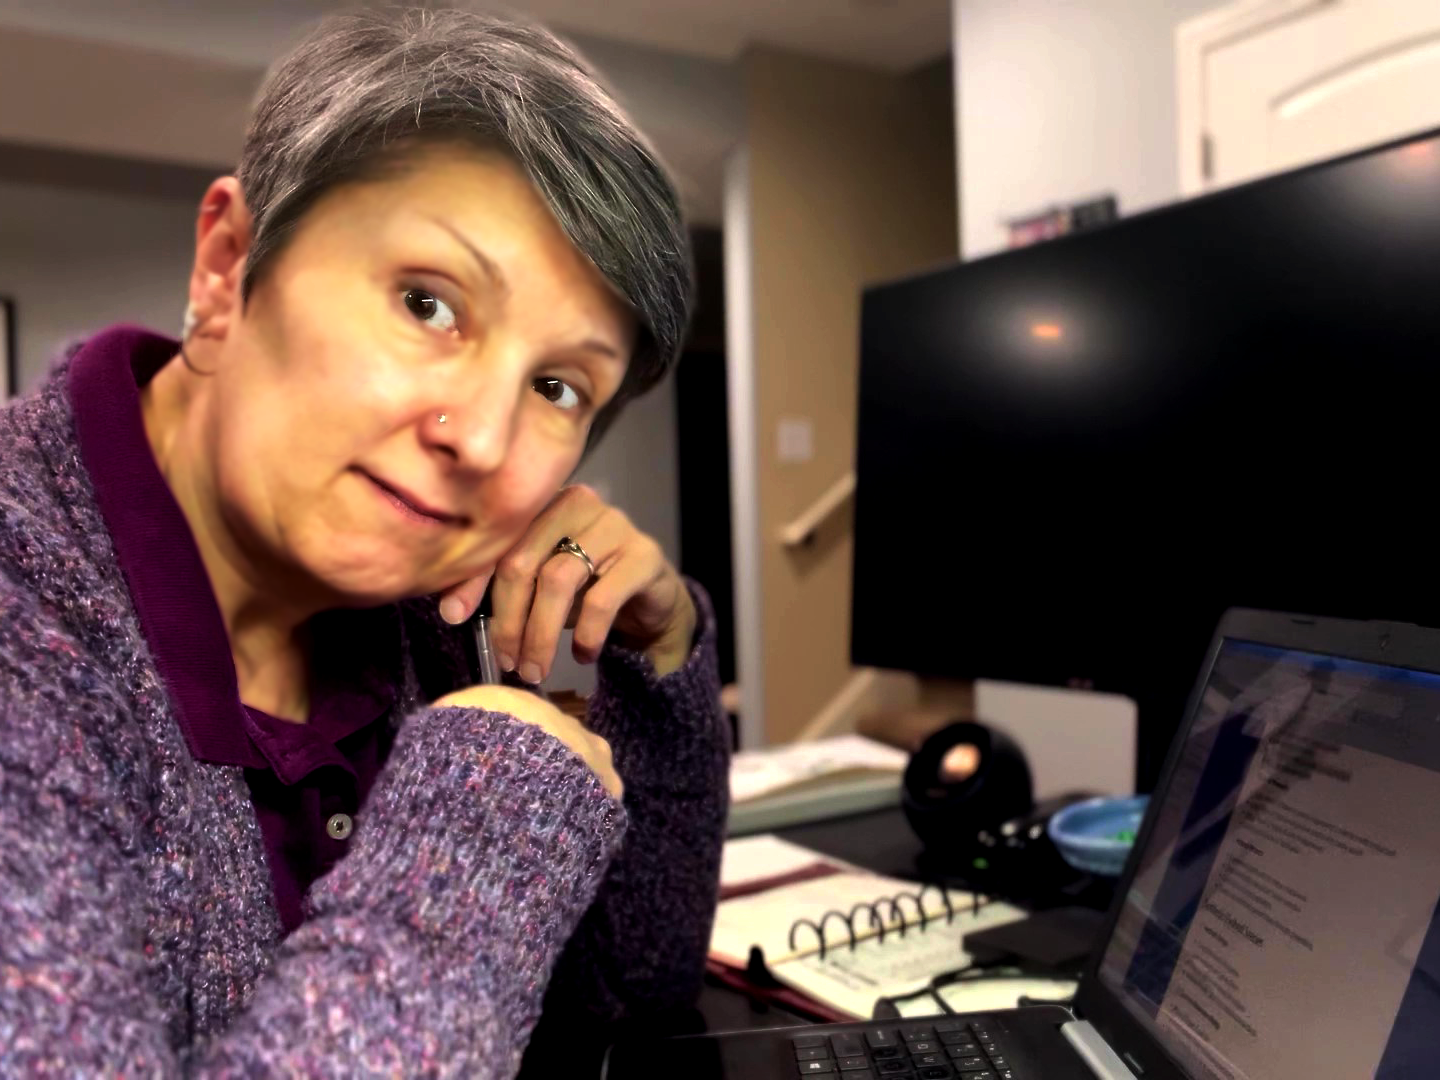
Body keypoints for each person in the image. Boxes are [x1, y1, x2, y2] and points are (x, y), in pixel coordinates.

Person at [0, 8, 728, 1076]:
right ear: (227, 266)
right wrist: (485, 819)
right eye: (428, 303)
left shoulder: (429, 612)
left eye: (557, 385)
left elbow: (635, 990)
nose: (480, 439)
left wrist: (655, 662)